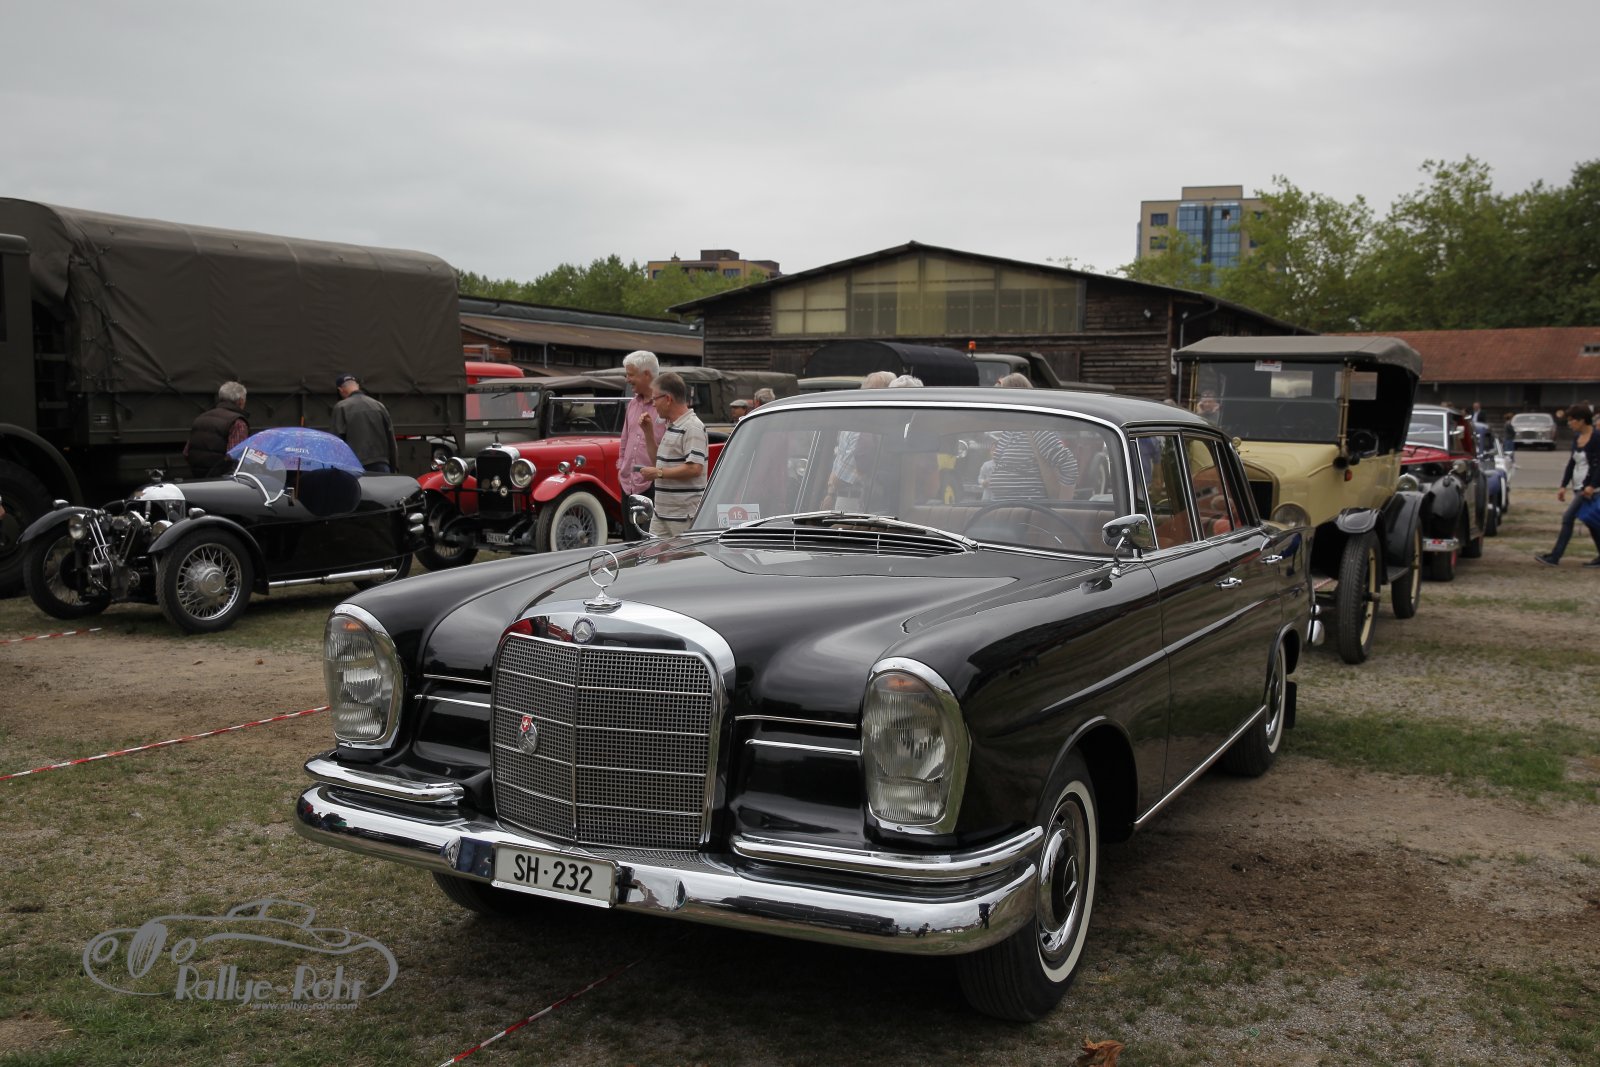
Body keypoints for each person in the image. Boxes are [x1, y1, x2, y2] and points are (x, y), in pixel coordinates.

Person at [638, 371, 707, 537]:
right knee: (654, 552)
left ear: (668, 399)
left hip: (683, 515)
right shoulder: (672, 425)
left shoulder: (692, 427)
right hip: (662, 513)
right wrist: (648, 432)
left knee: (685, 554)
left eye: (655, 399)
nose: (653, 404)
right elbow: (657, 462)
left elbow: (695, 468)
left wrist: (659, 473)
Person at [988, 373, 1078, 499]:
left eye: (1000, 398)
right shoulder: (1008, 432)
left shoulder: (1036, 430)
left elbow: (1069, 465)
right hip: (1003, 506)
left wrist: (1064, 502)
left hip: (1029, 508)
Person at [1534, 403, 1600, 567]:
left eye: (1571, 420)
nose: (1569, 423)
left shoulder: (1597, 437)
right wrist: (1563, 485)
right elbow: (1572, 463)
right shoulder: (1577, 438)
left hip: (1589, 488)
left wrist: (1592, 485)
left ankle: (1555, 557)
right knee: (1591, 522)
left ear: (1582, 420)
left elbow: (1599, 465)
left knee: (1568, 518)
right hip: (1578, 486)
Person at [823, 371, 894, 510]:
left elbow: (849, 474)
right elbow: (839, 460)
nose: (870, 396)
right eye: (867, 390)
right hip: (845, 498)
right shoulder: (850, 425)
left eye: (876, 391)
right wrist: (830, 492)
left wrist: (832, 487)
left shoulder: (877, 429)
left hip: (863, 500)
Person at [618, 350, 667, 539]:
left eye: (631, 374)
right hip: (628, 484)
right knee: (630, 541)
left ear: (646, 374)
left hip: (654, 482)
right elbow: (625, 438)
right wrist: (621, 467)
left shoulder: (665, 406)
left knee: (651, 541)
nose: (627, 379)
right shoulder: (632, 404)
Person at [332, 375, 399, 473]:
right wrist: (394, 467)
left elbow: (336, 442)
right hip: (381, 465)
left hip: (354, 466)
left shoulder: (341, 407)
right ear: (357, 386)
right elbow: (391, 441)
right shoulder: (379, 406)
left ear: (340, 390)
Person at [184, 380, 250, 477]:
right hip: (222, 479)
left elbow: (186, 452)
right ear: (241, 401)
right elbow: (236, 456)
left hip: (198, 477)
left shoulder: (200, 418)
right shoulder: (237, 423)